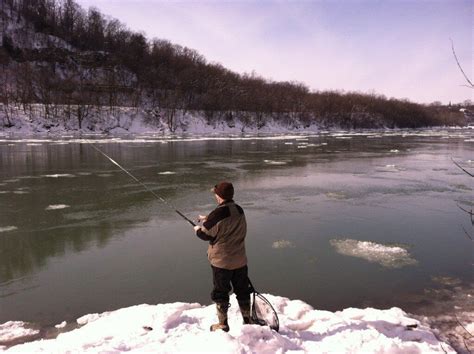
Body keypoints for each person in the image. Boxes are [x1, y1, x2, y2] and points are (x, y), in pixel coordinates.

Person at [193, 181, 251, 332]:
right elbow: (227, 220)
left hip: (222, 262)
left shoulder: (218, 214)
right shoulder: (239, 209)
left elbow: (205, 235)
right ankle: (248, 320)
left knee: (220, 292)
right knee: (243, 290)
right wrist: (208, 218)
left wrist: (197, 229)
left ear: (219, 196)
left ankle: (223, 324)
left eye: (215, 194)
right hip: (240, 260)